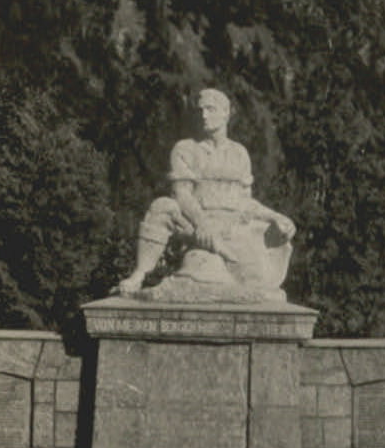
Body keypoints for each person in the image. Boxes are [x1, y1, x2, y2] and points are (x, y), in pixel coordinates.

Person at [115, 88, 296, 301]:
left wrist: (275, 216)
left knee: (256, 283)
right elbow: (181, 195)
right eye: (200, 110)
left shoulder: (239, 154)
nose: (204, 115)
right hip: (193, 224)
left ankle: (222, 260)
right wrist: (203, 225)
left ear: (226, 112)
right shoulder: (185, 149)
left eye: (210, 109)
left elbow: (245, 202)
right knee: (162, 207)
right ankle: (139, 274)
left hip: (233, 229)